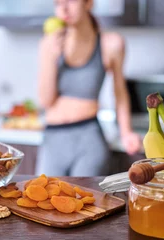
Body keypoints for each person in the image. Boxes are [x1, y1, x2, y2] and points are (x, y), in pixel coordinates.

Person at [36, 0, 141, 176]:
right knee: (39, 200)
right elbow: (46, 101)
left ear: (88, 3)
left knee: (86, 201)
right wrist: (52, 58)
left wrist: (126, 132)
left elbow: (120, 93)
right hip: (53, 139)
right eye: (58, 3)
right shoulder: (49, 44)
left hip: (89, 138)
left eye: (70, 1)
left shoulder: (111, 44)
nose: (64, 8)